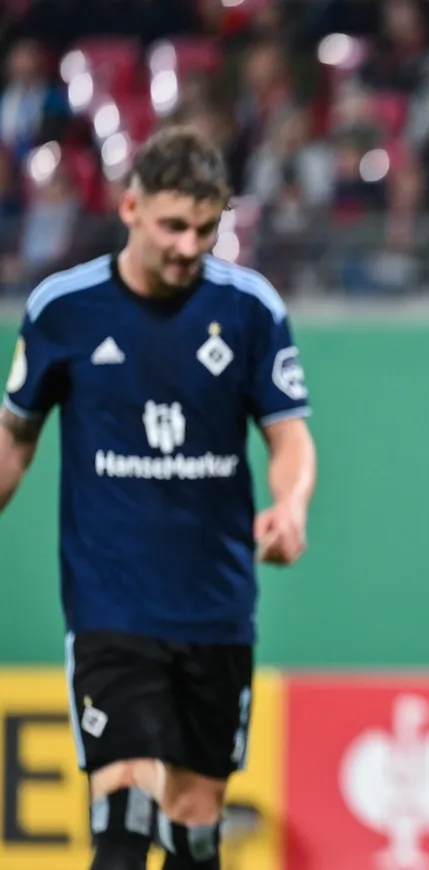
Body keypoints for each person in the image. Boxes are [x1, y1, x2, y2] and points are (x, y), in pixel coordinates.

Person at [0, 125, 317, 870]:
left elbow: (289, 437)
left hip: (215, 604)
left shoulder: (250, 309)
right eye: (173, 226)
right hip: (112, 603)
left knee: (195, 827)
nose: (188, 245)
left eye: (206, 229)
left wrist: (291, 505)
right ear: (130, 206)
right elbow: (15, 438)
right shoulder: (63, 309)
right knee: (123, 813)